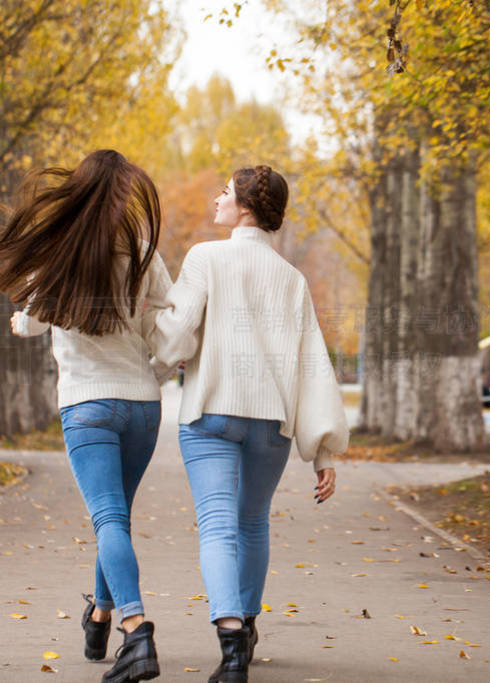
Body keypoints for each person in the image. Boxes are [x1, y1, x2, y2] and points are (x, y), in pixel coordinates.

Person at [145, 165, 349, 683]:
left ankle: (231, 648)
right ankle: (249, 632)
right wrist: (323, 452)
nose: (217, 198)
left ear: (246, 207)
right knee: (252, 523)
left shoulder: (205, 258)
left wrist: (146, 362)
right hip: (270, 423)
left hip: (211, 412)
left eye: (226, 192)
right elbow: (311, 366)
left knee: (217, 525)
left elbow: (174, 336)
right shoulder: (292, 279)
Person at [0, 149, 172, 683]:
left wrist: (21, 322)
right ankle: (100, 616)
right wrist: (154, 376)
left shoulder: (63, 251)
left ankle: (136, 632)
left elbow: (35, 320)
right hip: (142, 408)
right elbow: (172, 330)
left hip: (88, 406)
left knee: (108, 519)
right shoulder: (141, 251)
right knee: (117, 519)